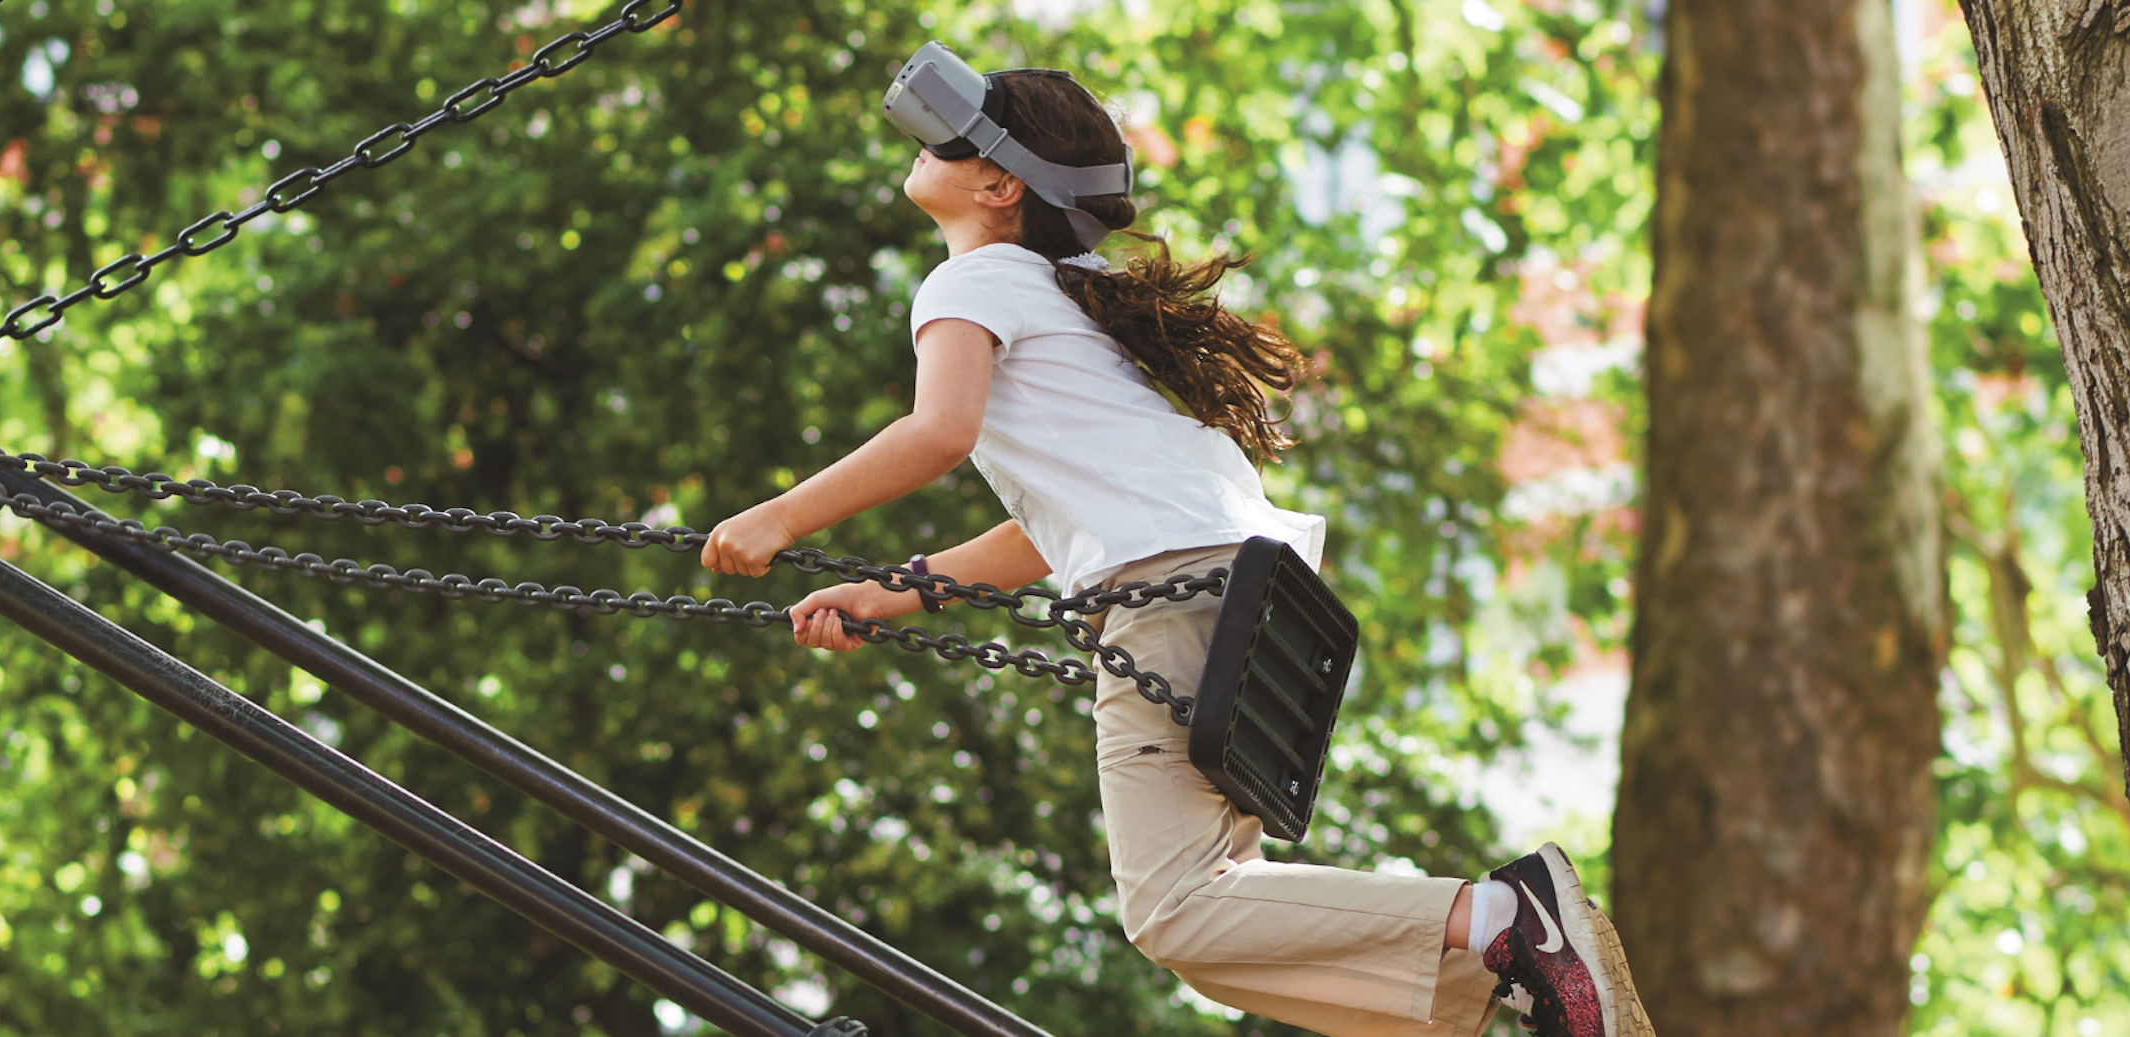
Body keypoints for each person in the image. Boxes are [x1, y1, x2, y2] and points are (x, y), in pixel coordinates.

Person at [693, 43, 1653, 1037]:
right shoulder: (1063, 293)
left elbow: (939, 432)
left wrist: (780, 516)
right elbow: (1052, 523)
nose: (919, 147)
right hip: (1235, 587)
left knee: (1178, 908)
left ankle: (1504, 921)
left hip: (1176, 592)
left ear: (996, 184)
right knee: (1220, 931)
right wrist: (899, 587)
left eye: (946, 138)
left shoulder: (971, 284)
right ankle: (1516, 987)